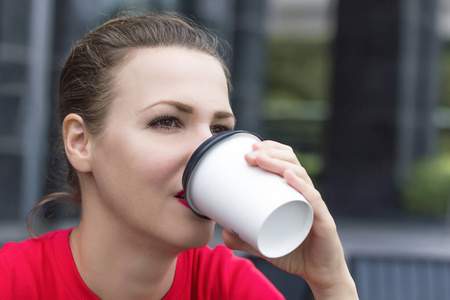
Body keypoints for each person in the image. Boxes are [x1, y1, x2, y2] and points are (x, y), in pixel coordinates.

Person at [0, 12, 358, 299]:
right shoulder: (13, 282)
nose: (206, 151)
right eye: (167, 121)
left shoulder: (224, 283)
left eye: (220, 129)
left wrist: (330, 281)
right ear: (81, 143)